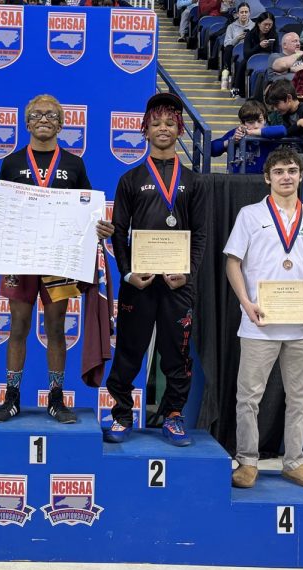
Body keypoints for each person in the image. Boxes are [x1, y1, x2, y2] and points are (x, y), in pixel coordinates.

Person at [0, 94, 113, 424]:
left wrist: (101, 225)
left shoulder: (74, 164)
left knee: (57, 328)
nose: (43, 119)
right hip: (19, 259)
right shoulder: (12, 162)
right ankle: (12, 397)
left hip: (59, 260)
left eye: (51, 115)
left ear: (61, 124)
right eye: (36, 114)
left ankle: (56, 398)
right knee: (17, 326)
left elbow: (89, 210)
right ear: (26, 122)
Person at [224, 146, 303, 490]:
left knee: (300, 397)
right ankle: (247, 461)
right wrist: (245, 302)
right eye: (279, 171)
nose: (286, 176)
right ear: (267, 177)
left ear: (301, 176)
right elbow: (232, 262)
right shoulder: (249, 215)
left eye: (292, 170)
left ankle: (294, 462)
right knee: (248, 397)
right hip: (259, 321)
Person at [104, 92, 207, 446]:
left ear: (180, 130)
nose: (163, 128)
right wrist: (127, 273)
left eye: (170, 123)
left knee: (177, 352)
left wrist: (188, 273)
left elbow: (200, 234)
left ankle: (174, 415)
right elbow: (119, 231)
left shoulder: (193, 181)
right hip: (139, 283)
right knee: (129, 350)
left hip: (179, 284)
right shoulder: (130, 179)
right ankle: (121, 414)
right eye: (156, 123)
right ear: (145, 130)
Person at [211, 99, 287, 172]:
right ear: (242, 123)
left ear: (265, 120)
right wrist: (232, 141)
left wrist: (250, 132)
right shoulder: (236, 133)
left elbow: (282, 130)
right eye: (251, 122)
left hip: (261, 179)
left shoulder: (269, 133)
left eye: (260, 121)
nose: (256, 126)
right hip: (236, 178)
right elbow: (212, 150)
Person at [231, 11, 277, 98]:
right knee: (243, 63)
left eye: (270, 25)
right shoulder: (250, 34)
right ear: (259, 24)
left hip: (268, 60)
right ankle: (237, 90)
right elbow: (246, 54)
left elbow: (276, 52)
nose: (267, 27)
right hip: (251, 58)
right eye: (265, 24)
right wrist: (259, 46)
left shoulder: (274, 35)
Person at [221, 2, 255, 90]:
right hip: (235, 53)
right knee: (228, 49)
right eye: (242, 12)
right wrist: (237, 39)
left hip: (249, 52)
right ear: (237, 14)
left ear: (249, 13)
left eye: (246, 12)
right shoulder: (231, 27)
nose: (244, 14)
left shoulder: (254, 26)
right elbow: (226, 44)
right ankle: (227, 73)